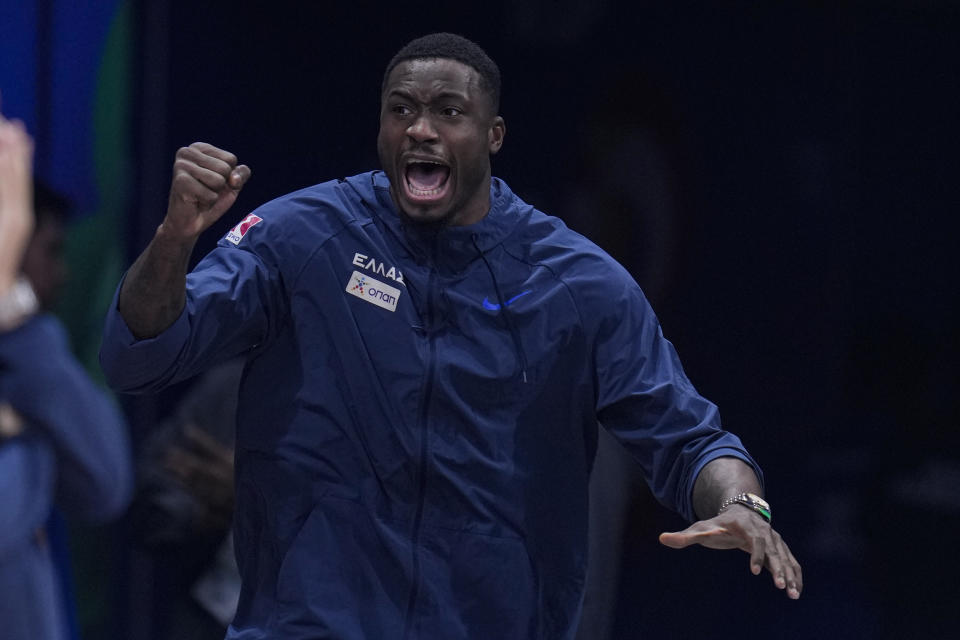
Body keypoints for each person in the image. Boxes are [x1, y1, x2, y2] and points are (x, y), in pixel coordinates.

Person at [100, 33, 802, 639]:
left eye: (448, 111)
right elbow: (142, 353)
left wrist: (741, 504)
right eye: (401, 109)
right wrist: (174, 239)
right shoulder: (302, 236)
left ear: (493, 134)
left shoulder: (581, 287)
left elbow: (692, 440)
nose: (421, 129)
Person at [0, 109, 132, 639]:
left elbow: (106, 485)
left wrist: (19, 323)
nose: (62, 273)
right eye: (47, 248)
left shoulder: (26, 351)